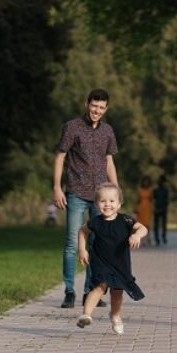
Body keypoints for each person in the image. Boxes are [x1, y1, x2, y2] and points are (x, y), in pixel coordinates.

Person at [53, 89, 119, 309]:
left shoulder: (108, 131)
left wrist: (116, 190)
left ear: (106, 109)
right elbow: (60, 157)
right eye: (94, 106)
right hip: (76, 192)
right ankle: (69, 291)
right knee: (72, 243)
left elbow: (109, 162)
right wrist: (56, 188)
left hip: (100, 197)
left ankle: (90, 291)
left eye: (101, 108)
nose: (96, 111)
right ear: (87, 103)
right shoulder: (72, 127)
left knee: (96, 244)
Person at [75, 183, 147, 335]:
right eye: (103, 201)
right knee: (100, 286)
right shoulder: (95, 222)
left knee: (117, 291)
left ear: (119, 203)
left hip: (120, 263)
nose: (107, 204)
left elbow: (143, 228)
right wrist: (82, 250)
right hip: (100, 261)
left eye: (112, 201)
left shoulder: (126, 220)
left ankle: (115, 316)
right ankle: (86, 315)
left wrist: (136, 235)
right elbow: (82, 231)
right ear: (96, 204)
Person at [135, 175, 153, 246]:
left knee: (147, 224)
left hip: (148, 208)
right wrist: (136, 208)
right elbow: (138, 200)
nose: (145, 183)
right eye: (144, 181)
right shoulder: (140, 190)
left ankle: (148, 238)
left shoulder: (151, 190)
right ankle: (141, 240)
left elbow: (152, 200)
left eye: (147, 182)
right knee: (141, 224)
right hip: (141, 208)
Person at [152, 175, 170, 245]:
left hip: (163, 209)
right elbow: (153, 200)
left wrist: (164, 208)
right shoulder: (155, 190)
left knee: (163, 225)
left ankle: (163, 237)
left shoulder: (166, 190)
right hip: (157, 209)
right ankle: (157, 239)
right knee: (157, 225)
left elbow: (166, 200)